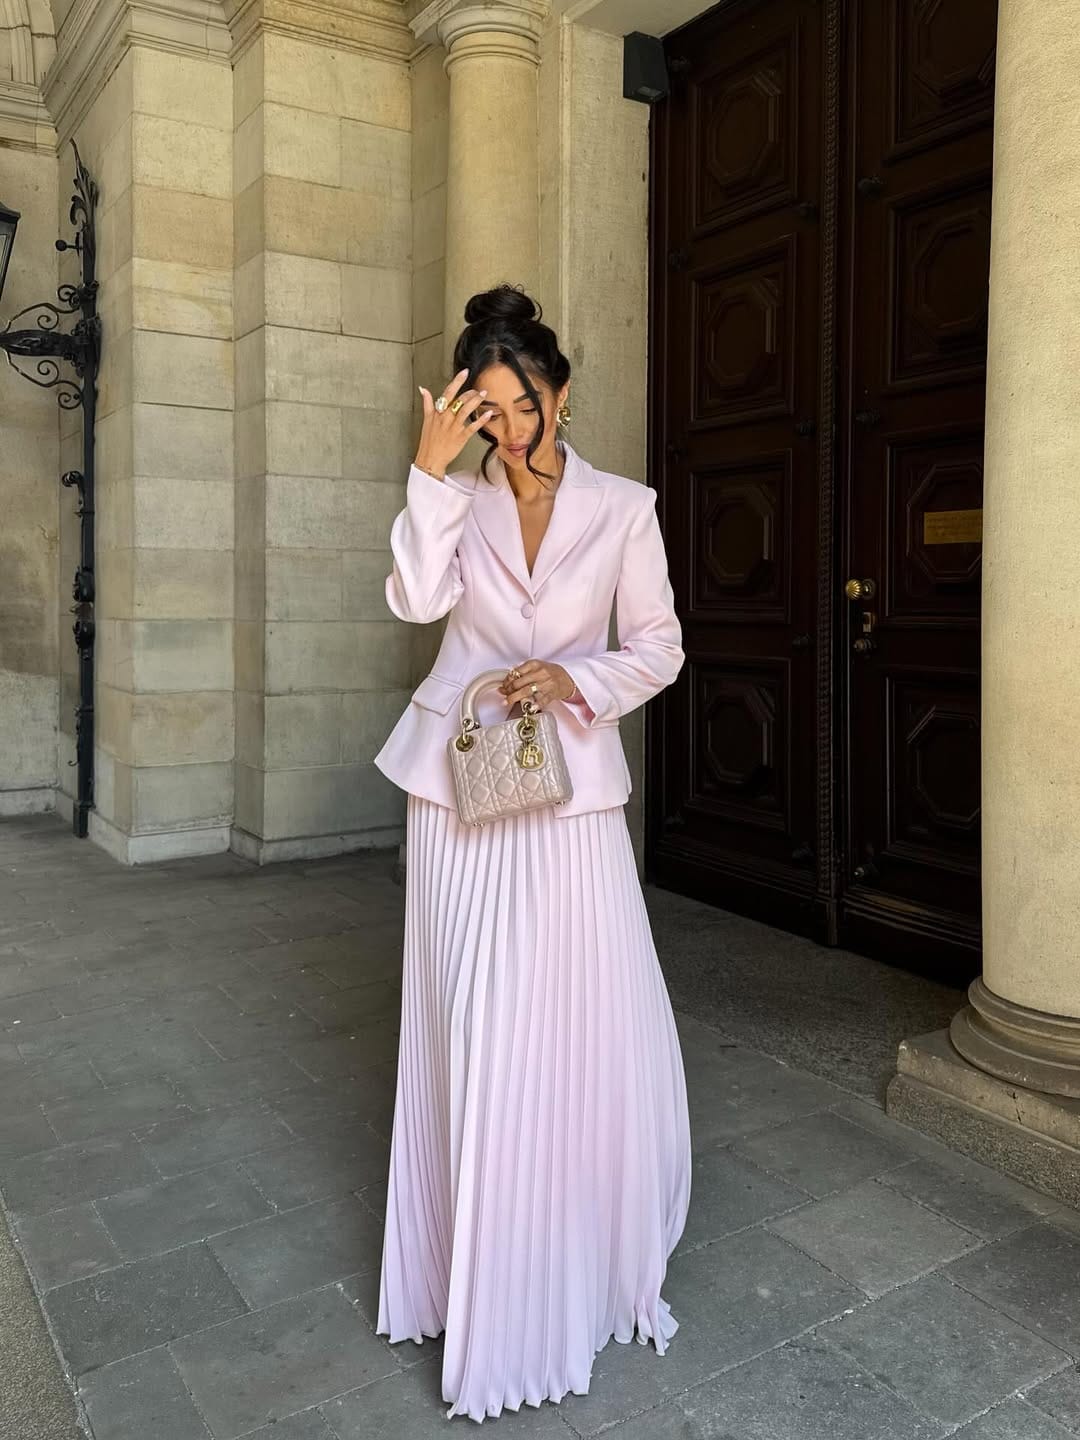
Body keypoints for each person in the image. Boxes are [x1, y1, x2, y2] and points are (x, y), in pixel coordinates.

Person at [373, 283, 692, 1423]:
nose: (512, 431)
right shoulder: (455, 498)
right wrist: (428, 471)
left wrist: (576, 678)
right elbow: (414, 600)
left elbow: (658, 647)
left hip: (568, 798)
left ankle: (560, 1265)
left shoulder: (624, 508)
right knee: (471, 1020)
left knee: (562, 1020)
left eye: (526, 405)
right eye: (488, 413)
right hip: (458, 790)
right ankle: (471, 1279)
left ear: (561, 392)